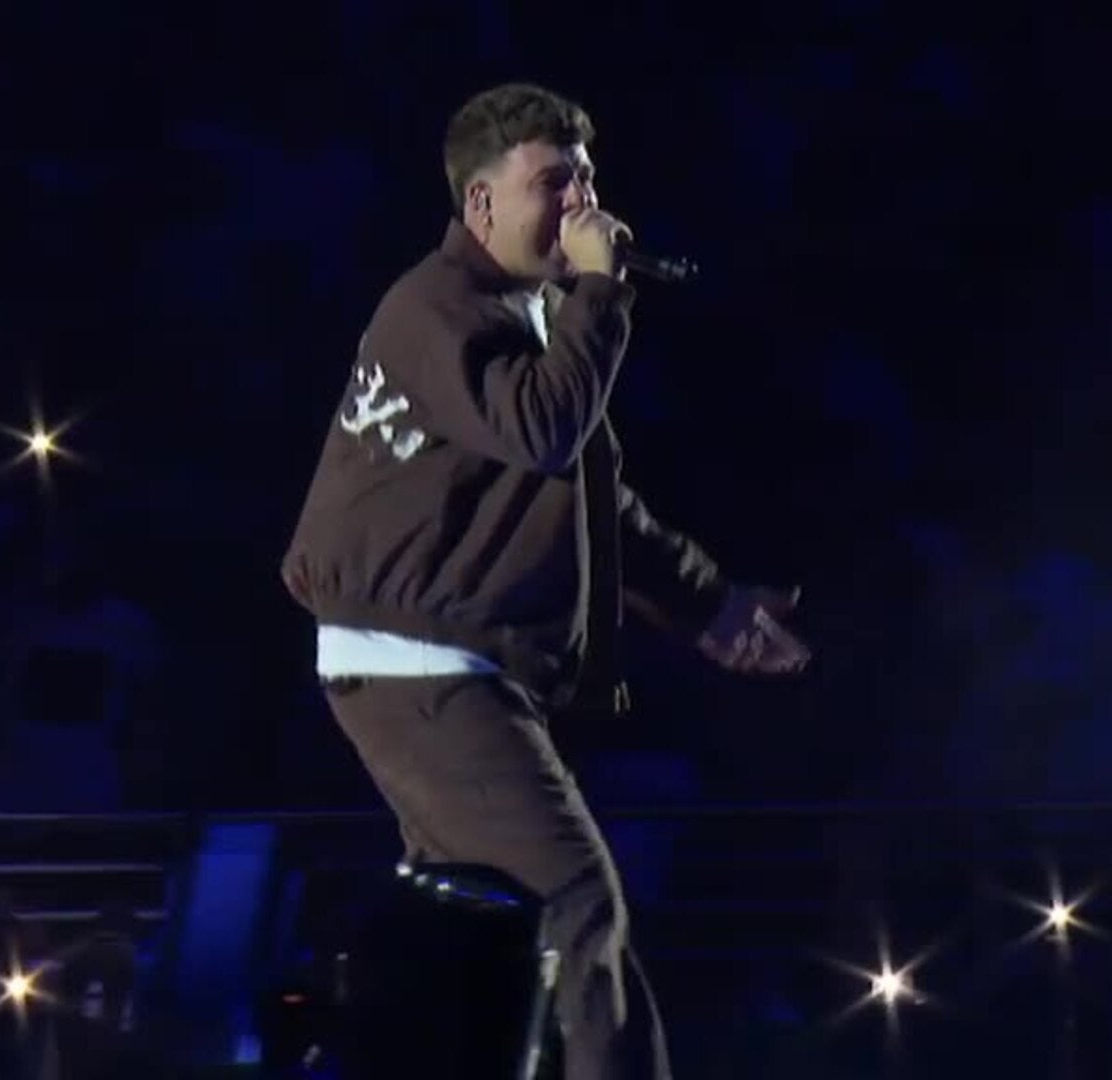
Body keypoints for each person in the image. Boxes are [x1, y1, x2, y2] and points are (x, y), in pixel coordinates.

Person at [280, 82, 812, 1080]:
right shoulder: (438, 310)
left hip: (446, 668)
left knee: (481, 923)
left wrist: (706, 602)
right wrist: (601, 296)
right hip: (420, 667)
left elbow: (593, 499)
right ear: (481, 204)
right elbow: (544, 431)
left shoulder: (531, 319)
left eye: (588, 178)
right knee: (575, 901)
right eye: (555, 182)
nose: (583, 204)